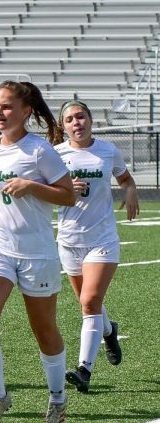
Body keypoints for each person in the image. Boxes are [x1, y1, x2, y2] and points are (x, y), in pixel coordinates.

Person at [0, 81, 75, 423]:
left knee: (43, 330)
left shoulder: (39, 152)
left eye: (7, 107)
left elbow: (68, 196)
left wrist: (31, 186)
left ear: (26, 111)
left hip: (36, 252)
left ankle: (58, 401)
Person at [55, 100, 139, 394]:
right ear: (62, 126)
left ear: (90, 120)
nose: (76, 122)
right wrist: (64, 190)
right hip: (68, 240)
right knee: (88, 304)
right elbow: (44, 194)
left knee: (90, 303)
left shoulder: (107, 150)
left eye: (81, 116)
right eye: (69, 119)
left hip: (102, 238)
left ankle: (84, 370)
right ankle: (109, 331)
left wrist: (130, 192)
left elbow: (125, 179)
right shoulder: (55, 155)